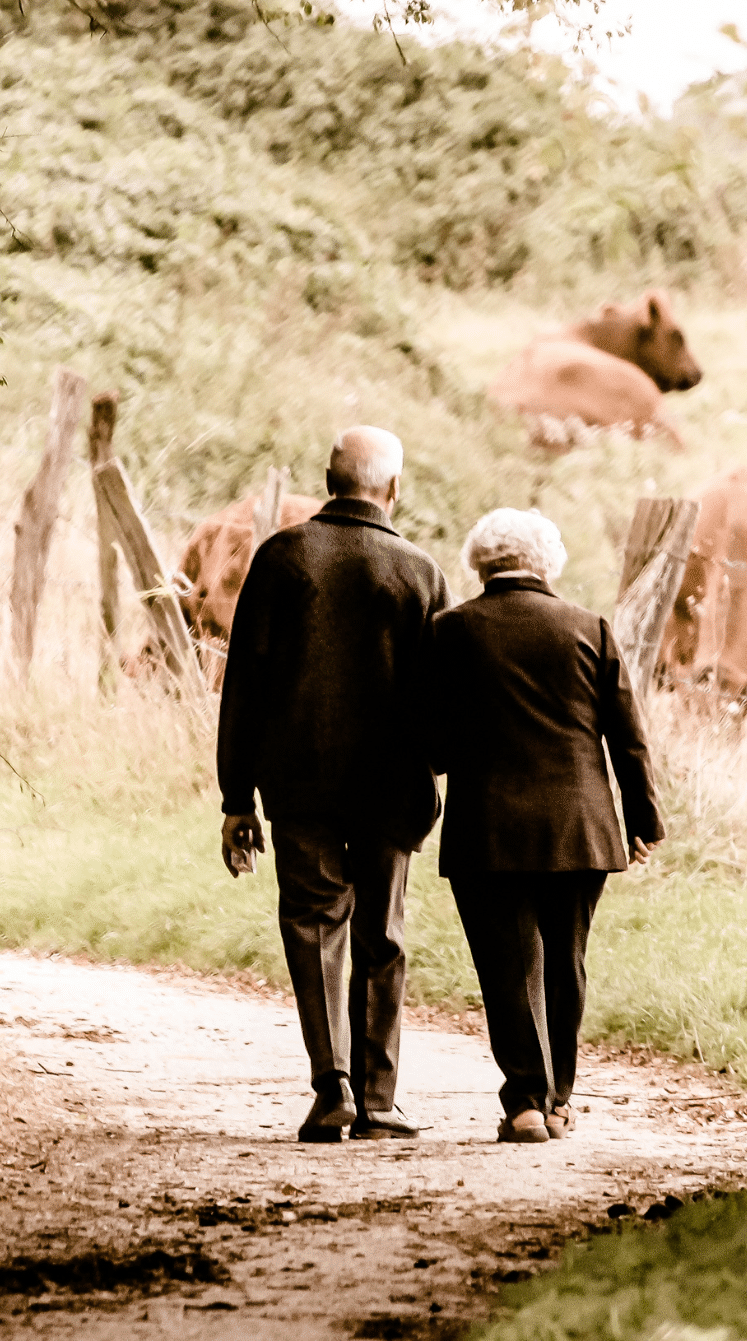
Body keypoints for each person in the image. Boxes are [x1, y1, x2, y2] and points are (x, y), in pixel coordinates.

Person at [217, 426, 452, 1143]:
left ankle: (333, 1088)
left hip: (299, 781)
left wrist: (236, 798)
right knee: (382, 932)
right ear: (394, 489)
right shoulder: (420, 571)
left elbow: (244, 686)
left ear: (328, 479)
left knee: (315, 927)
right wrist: (434, 770)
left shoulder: (283, 558)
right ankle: (380, 1100)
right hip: (392, 786)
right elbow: (441, 695)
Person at [429, 508, 661, 1144]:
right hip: (581, 826)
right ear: (548, 563)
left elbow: (435, 741)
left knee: (508, 965)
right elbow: (628, 739)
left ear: (480, 562)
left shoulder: (450, 631)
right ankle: (558, 1100)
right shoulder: (590, 628)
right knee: (566, 960)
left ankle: (525, 1102)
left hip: (487, 827)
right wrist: (642, 818)